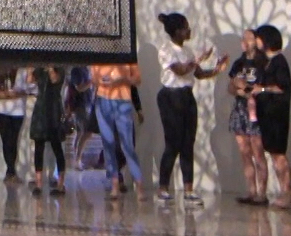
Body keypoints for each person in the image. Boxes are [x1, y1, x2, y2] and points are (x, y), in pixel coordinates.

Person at [155, 12, 217, 204]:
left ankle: (189, 190)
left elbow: (197, 74)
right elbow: (180, 70)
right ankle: (163, 187)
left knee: (188, 143)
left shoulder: (188, 51)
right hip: (171, 97)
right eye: (185, 28)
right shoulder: (166, 49)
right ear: (177, 31)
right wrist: (198, 59)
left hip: (186, 96)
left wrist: (216, 70)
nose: (189, 31)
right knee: (173, 143)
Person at [249, 25, 291, 209]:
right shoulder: (265, 62)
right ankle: (284, 192)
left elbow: (282, 87)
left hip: (277, 114)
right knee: (273, 154)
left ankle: (287, 192)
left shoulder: (279, 61)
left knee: (278, 154)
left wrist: (261, 89)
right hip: (266, 114)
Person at [90, 60, 142, 198]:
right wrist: (103, 80)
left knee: (128, 145)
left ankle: (139, 185)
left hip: (123, 100)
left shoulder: (127, 55)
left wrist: (124, 79)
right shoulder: (99, 55)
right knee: (108, 144)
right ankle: (114, 184)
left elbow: (137, 79)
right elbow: (94, 79)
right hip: (103, 99)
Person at [225, 33, 266, 205]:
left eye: (249, 38)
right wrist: (238, 90)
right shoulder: (238, 63)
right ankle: (251, 191)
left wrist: (248, 89)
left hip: (257, 109)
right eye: (243, 38)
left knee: (258, 152)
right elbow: (230, 87)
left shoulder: (263, 62)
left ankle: (262, 193)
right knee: (245, 152)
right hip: (240, 109)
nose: (245, 42)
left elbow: (264, 87)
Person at [0, 69, 35, 183]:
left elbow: (29, 89)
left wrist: (10, 94)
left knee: (13, 141)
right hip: (0, 112)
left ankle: (11, 171)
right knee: (6, 141)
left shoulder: (22, 71)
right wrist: (16, 94)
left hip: (18, 112)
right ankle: (10, 171)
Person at [29, 66, 69, 195]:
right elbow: (30, 80)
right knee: (38, 146)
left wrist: (51, 68)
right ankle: (38, 183)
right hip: (41, 108)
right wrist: (31, 67)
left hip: (54, 109)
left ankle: (60, 184)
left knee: (57, 146)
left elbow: (55, 80)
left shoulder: (59, 69)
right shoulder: (40, 68)